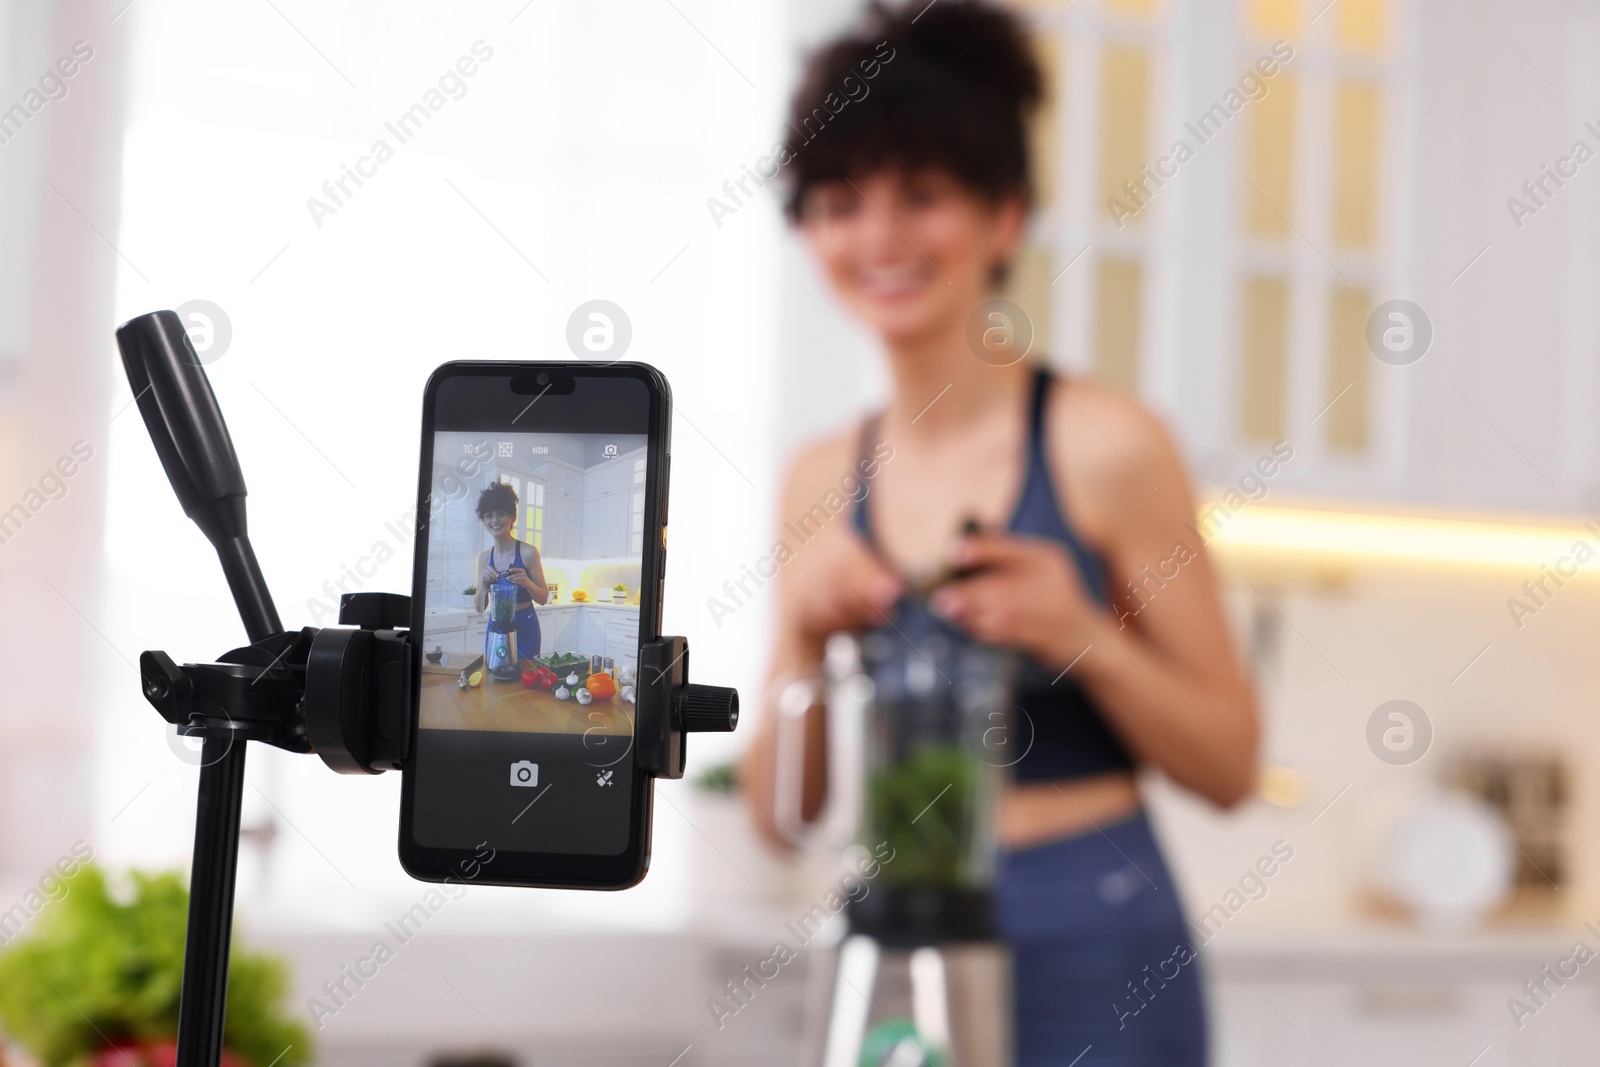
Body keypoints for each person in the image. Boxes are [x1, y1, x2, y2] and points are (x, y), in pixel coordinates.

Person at [743, 3, 1259, 1063]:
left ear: (1005, 215)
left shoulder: (1108, 445)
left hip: (1099, 935)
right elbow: (780, 817)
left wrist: (1081, 629)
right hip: (894, 927)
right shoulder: (814, 476)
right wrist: (799, 629)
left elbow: (1229, 761)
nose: (878, 238)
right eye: (840, 202)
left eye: (922, 196)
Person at [473, 482, 549, 663]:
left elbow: (544, 598)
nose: (494, 520)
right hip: (496, 625)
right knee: (495, 676)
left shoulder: (528, 553)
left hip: (526, 625)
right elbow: (479, 607)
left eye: (501, 513)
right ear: (483, 520)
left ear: (512, 517)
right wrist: (484, 584)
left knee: (525, 681)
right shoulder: (484, 558)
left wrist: (527, 583)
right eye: (488, 515)